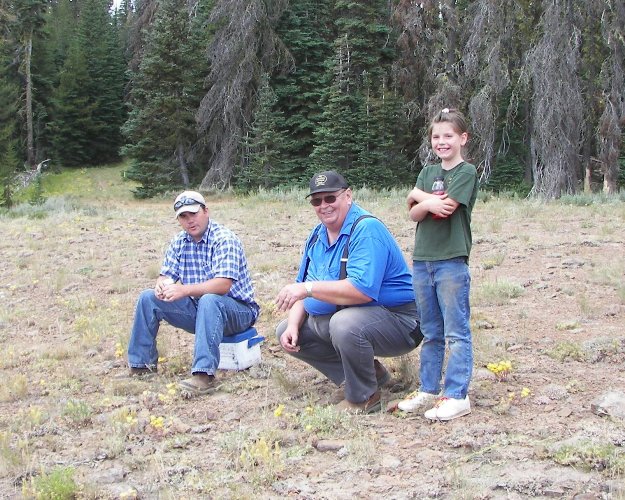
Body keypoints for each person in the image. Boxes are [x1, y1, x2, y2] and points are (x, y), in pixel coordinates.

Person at [275, 171, 422, 414]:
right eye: (316, 201)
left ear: (348, 196)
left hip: (400, 320)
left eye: (330, 198)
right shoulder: (316, 236)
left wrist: (307, 289)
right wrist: (292, 325)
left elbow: (361, 291)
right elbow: (304, 287)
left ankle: (363, 397)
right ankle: (367, 374)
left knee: (344, 324)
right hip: (348, 317)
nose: (324, 206)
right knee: (288, 330)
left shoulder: (366, 229)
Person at [126, 190, 260, 397]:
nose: (189, 221)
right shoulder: (179, 242)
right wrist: (163, 285)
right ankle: (141, 366)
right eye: (183, 216)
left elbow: (223, 285)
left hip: (238, 312)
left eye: (193, 214)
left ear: (206, 211)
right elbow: (166, 275)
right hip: (202, 310)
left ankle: (203, 375)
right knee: (148, 297)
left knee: (210, 300)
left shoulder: (224, 239)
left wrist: (183, 290)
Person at [399, 108, 479, 421]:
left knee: (456, 331)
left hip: (451, 261)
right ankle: (429, 389)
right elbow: (412, 214)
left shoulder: (466, 172)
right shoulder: (427, 173)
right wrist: (422, 200)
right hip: (423, 261)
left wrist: (420, 198)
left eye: (448, 136)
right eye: (436, 136)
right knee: (431, 330)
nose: (441, 142)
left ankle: (457, 395)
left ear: (462, 138)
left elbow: (445, 208)